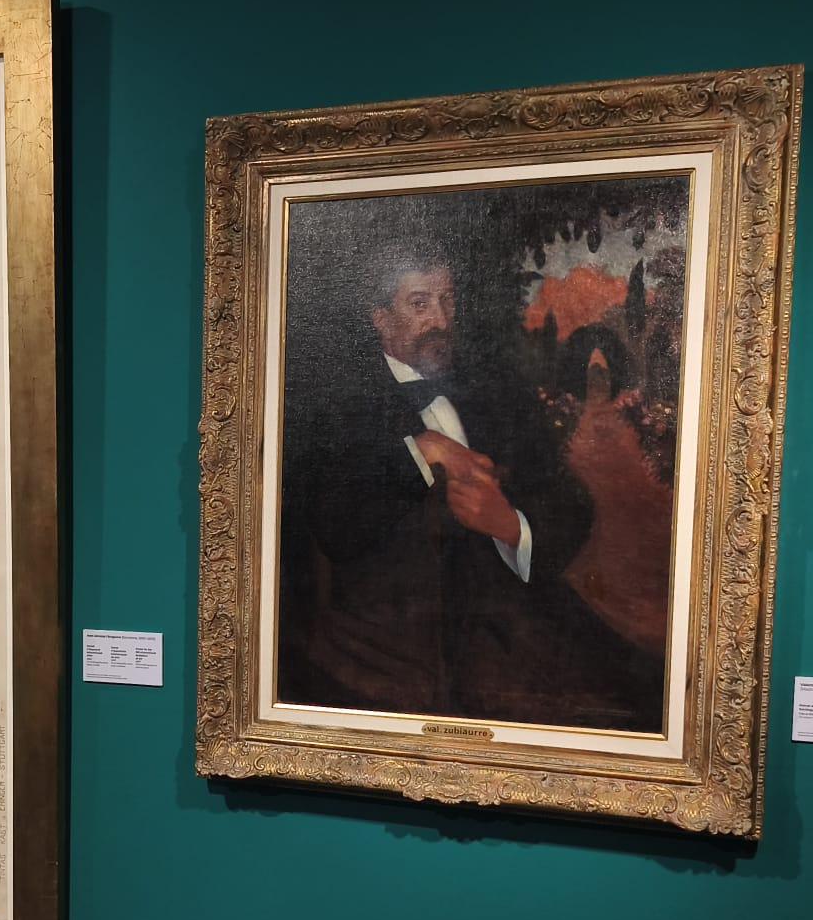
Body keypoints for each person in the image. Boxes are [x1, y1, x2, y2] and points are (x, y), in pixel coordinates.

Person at [277, 240, 660, 731]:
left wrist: (511, 525)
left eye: (447, 300)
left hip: (514, 640)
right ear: (381, 319)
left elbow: (570, 502)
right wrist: (423, 452)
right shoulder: (337, 403)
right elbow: (334, 524)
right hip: (383, 661)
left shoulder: (494, 388)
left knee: (638, 704)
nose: (440, 319)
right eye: (420, 304)